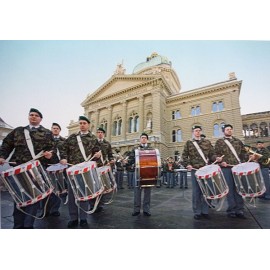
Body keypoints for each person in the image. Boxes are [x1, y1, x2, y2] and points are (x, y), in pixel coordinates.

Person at [0, 108, 53, 229]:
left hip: (36, 171)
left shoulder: (47, 133)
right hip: (19, 169)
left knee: (34, 198)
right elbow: (7, 144)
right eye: (31, 115)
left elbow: (52, 149)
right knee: (19, 197)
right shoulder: (18, 131)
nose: (33, 117)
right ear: (29, 117)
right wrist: (2, 156)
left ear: (40, 118)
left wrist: (50, 155)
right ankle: (18, 225)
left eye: (36, 115)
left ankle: (28, 225)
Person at [61, 116, 100, 228]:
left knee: (84, 194)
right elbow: (63, 148)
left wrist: (98, 156)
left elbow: (96, 153)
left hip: (85, 171)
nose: (82, 125)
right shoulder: (72, 137)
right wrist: (63, 158)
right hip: (73, 170)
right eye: (80, 123)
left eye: (84, 123)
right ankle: (73, 218)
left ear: (88, 125)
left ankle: (83, 218)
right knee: (72, 195)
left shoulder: (93, 138)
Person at [182, 125, 220, 220]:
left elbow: (212, 155)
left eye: (199, 130)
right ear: (193, 132)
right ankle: (197, 212)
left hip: (206, 170)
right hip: (195, 170)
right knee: (197, 192)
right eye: (195, 131)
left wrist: (216, 158)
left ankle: (205, 211)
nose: (197, 132)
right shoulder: (189, 143)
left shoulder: (207, 142)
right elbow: (184, 156)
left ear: (201, 132)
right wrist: (187, 164)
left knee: (208, 190)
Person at [215, 124, 248, 219]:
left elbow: (243, 153)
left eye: (230, 129)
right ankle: (231, 210)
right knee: (230, 189)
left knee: (239, 188)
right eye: (227, 129)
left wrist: (246, 159)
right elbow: (216, 155)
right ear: (223, 131)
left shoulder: (238, 141)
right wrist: (221, 163)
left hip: (238, 168)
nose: (229, 130)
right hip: (226, 168)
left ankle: (240, 210)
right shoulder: (219, 142)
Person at [40, 122, 66, 217]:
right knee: (46, 189)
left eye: (57, 128)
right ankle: (44, 210)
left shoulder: (64, 141)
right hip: (47, 167)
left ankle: (55, 209)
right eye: (54, 128)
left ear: (59, 130)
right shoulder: (45, 140)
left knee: (58, 189)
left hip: (59, 168)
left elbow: (66, 153)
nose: (55, 129)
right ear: (51, 129)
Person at [90, 127, 115, 212]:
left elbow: (110, 154)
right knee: (93, 186)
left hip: (102, 166)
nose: (100, 133)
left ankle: (100, 204)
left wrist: (111, 160)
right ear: (97, 134)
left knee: (102, 185)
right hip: (93, 166)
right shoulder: (92, 142)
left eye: (101, 132)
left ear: (104, 134)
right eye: (98, 132)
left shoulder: (107, 143)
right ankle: (92, 204)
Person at [129, 133, 154, 216]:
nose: (143, 139)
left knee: (147, 192)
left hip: (148, 172)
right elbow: (131, 159)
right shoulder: (135, 149)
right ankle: (136, 209)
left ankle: (146, 210)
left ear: (147, 139)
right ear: (140, 139)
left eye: (145, 138)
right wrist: (129, 163)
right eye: (142, 138)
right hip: (138, 172)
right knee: (137, 191)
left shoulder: (151, 148)